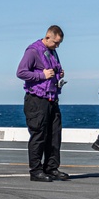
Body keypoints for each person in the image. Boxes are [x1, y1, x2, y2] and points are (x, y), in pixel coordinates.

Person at [16, 25, 67, 182]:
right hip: (37, 100)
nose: (57, 46)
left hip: (52, 98)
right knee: (39, 135)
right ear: (48, 37)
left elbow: (53, 70)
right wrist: (41, 75)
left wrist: (59, 74)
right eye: (56, 43)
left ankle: (51, 167)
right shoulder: (33, 51)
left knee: (54, 135)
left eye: (59, 44)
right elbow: (21, 72)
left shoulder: (52, 52)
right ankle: (36, 171)